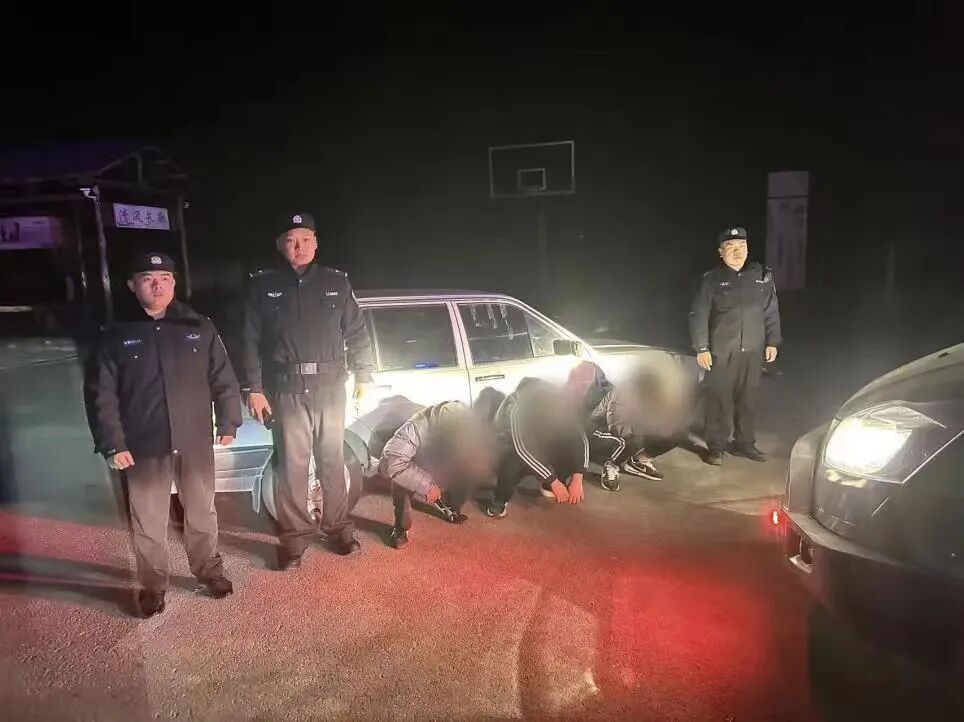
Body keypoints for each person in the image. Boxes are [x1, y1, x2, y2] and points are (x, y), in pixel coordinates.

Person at [84, 252, 241, 617]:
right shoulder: (116, 334)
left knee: (202, 511)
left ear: (174, 283)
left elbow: (223, 377)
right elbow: (100, 394)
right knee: (148, 519)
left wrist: (229, 421)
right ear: (132, 285)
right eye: (148, 278)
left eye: (165, 278)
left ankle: (209, 571)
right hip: (142, 444)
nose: (157, 285)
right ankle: (153, 585)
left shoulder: (198, 326)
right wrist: (112, 443)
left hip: (193, 440)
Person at [241, 212, 374, 568]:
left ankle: (338, 529)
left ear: (316, 242)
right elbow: (249, 340)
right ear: (280, 245)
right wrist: (254, 387)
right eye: (291, 240)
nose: (298, 246)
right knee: (292, 468)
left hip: (330, 387)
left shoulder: (336, 282)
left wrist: (364, 375)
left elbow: (357, 332)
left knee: (332, 461)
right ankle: (295, 539)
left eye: (305, 239)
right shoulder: (262, 285)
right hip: (286, 388)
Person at [689, 226, 782, 465]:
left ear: (748, 248)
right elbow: (699, 314)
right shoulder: (711, 279)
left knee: (748, 399)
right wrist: (701, 348)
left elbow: (771, 310)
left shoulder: (761, 276)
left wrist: (772, 341)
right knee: (718, 399)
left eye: (742, 246)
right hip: (721, 350)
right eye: (730, 247)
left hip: (753, 348)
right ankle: (716, 447)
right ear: (721, 252)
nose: (737, 251)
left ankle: (744, 443)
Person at [378, 400, 497, 548]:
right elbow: (392, 463)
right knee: (402, 484)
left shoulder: (465, 425)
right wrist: (427, 486)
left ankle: (449, 506)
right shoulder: (415, 429)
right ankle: (400, 529)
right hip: (409, 458)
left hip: (433, 454)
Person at [485, 378, 588, 518]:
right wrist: (553, 480)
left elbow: (579, 436)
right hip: (510, 446)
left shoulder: (558, 403)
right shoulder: (516, 409)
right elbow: (523, 449)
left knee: (566, 441)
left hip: (535, 441)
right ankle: (499, 500)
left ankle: (550, 482)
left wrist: (578, 477)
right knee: (510, 461)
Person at [565, 362, 665, 492]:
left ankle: (638, 460)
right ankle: (612, 466)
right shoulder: (621, 391)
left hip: (613, 424)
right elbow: (615, 425)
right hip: (594, 429)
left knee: (670, 432)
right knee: (632, 439)